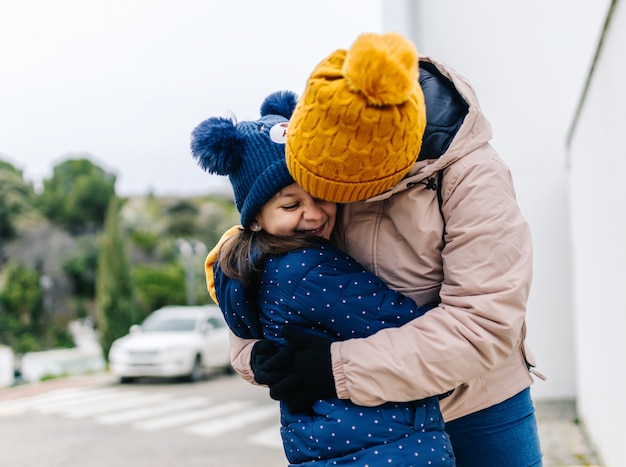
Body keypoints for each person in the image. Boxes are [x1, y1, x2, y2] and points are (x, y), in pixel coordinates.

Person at [209, 33, 545, 466]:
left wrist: (333, 370)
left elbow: (483, 324)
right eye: (306, 189)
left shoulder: (472, 176)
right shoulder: (327, 139)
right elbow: (262, 287)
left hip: (478, 403)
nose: (318, 210)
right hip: (376, 424)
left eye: (330, 191)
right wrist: (261, 359)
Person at [190, 90, 456, 466]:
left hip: (320, 445)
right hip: (387, 444)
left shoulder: (244, 266)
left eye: (320, 195)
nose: (313, 215)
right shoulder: (307, 268)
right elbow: (412, 326)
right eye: (290, 204)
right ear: (254, 219)